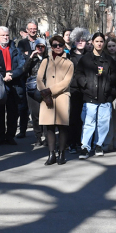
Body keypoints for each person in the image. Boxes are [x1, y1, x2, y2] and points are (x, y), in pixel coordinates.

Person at [75, 32, 116, 158]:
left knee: (103, 122)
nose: (99, 43)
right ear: (92, 42)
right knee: (89, 122)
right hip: (90, 95)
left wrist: (108, 85)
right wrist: (85, 84)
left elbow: (115, 75)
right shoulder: (85, 59)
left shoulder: (109, 60)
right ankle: (85, 147)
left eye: (101, 41)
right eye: (97, 41)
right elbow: (78, 74)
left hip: (105, 96)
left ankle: (99, 145)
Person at [38, 35, 75, 164]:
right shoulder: (45, 61)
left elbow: (66, 82)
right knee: (49, 127)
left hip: (62, 96)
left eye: (60, 45)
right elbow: (39, 79)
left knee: (62, 126)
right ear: (51, 47)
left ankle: (62, 153)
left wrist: (50, 90)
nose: (58, 47)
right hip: (46, 97)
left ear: (64, 46)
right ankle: (51, 154)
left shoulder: (69, 63)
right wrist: (45, 94)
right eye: (55, 45)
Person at [0, 26, 26, 146]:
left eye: (7, 35)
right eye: (3, 35)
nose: (5, 37)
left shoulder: (15, 49)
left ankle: (10, 136)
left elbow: (22, 66)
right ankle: (0, 136)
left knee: (13, 112)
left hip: (14, 83)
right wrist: (2, 77)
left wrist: (12, 75)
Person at [67, 27, 90, 151]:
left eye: (83, 40)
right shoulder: (69, 55)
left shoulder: (90, 56)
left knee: (87, 118)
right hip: (74, 90)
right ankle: (72, 142)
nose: (80, 42)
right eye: (77, 40)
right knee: (74, 117)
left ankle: (84, 142)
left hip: (87, 90)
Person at [24, 38, 48, 148]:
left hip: (46, 88)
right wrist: (30, 57)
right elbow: (24, 70)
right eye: (38, 46)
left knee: (47, 113)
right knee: (35, 114)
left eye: (42, 46)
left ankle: (47, 137)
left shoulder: (48, 58)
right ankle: (38, 137)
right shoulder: (31, 58)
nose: (40, 49)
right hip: (33, 89)